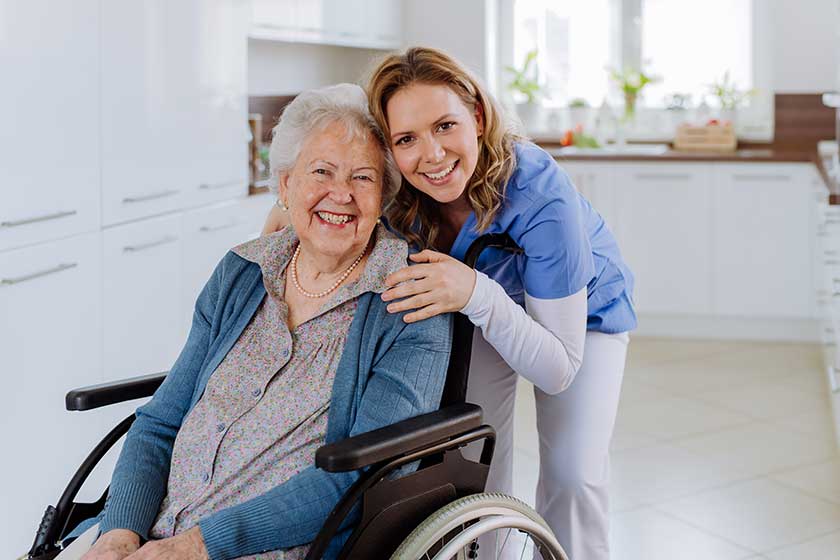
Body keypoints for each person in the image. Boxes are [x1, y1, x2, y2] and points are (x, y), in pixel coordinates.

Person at [265, 47, 637, 560]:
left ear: (478, 117)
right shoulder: (398, 189)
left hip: (582, 317)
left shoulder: (540, 195)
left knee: (574, 475)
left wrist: (476, 292)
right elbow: (325, 195)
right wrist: (283, 217)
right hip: (473, 302)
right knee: (476, 454)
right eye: (407, 139)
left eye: (445, 126)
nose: (432, 155)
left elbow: (557, 370)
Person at [63, 83, 452, 560]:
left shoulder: (410, 300)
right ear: (286, 185)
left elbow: (362, 475)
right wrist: (119, 533)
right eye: (322, 171)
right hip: (152, 531)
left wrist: (197, 547)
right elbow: (161, 424)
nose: (341, 194)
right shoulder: (242, 271)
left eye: (363, 178)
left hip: (271, 546)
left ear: (384, 197)